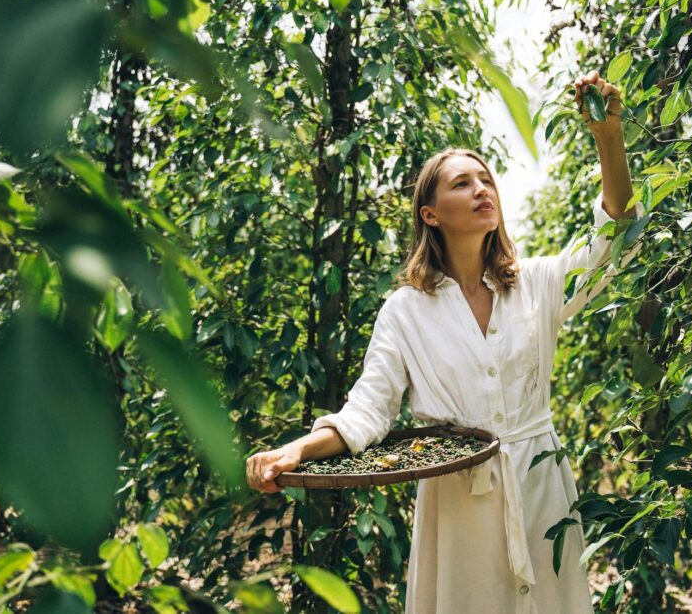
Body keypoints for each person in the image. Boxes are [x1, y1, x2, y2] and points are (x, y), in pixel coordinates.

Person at [246, 70, 646, 613]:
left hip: (540, 486)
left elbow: (613, 238)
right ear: (429, 214)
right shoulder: (406, 311)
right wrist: (294, 452)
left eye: (486, 180)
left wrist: (609, 136)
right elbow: (367, 413)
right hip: (458, 503)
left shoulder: (536, 283)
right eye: (462, 183)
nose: (482, 190)